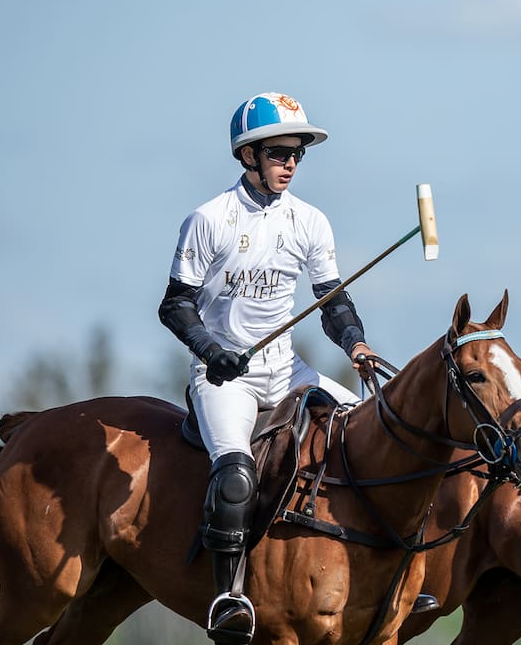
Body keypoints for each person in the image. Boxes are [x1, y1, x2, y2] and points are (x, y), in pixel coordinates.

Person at [158, 91, 374, 645]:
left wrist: (354, 344)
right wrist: (211, 350)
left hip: (287, 373)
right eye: (279, 152)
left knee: (371, 436)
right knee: (234, 479)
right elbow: (175, 305)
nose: (291, 164)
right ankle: (231, 597)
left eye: (298, 153)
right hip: (223, 379)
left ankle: (384, 572)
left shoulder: (310, 222)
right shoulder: (209, 219)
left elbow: (333, 300)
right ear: (248, 156)